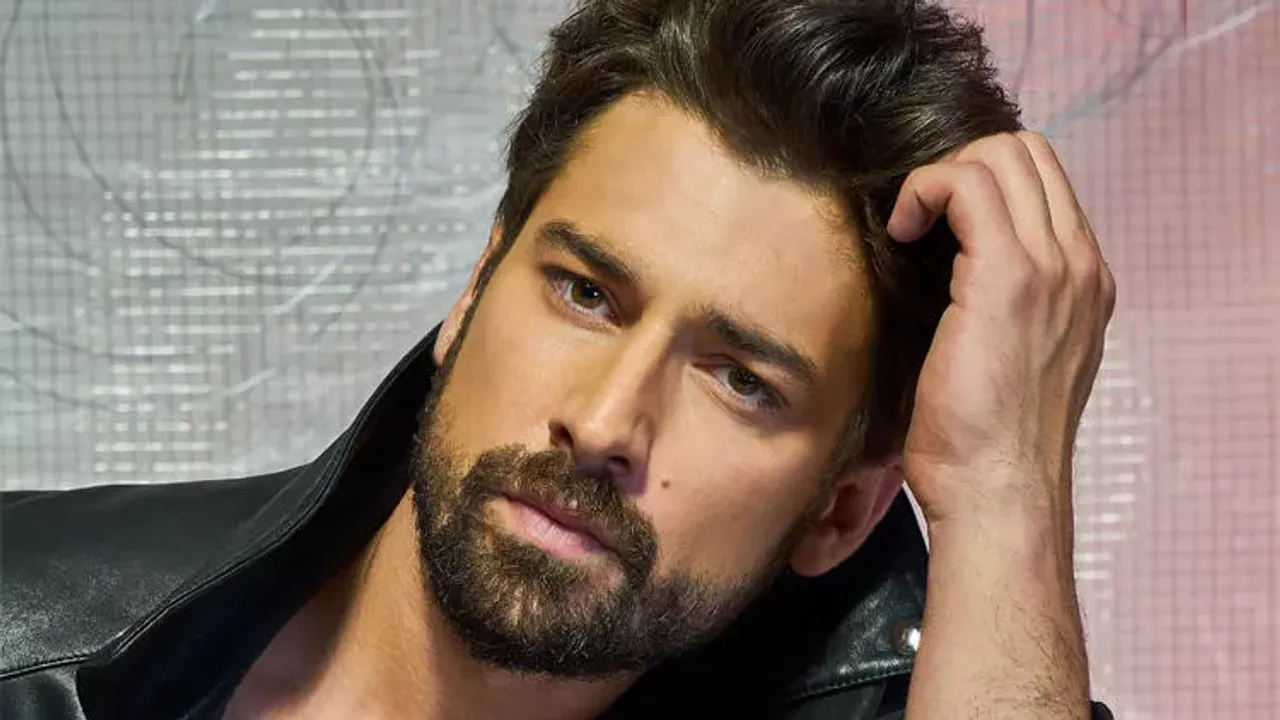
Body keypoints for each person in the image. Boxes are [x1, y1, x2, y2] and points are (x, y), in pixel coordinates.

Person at [0, 1, 1118, 718]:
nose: (606, 422)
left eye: (739, 380)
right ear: (473, 292)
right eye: (586, 294)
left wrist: (1004, 496)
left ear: (840, 512)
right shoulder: (29, 644)